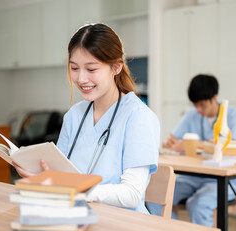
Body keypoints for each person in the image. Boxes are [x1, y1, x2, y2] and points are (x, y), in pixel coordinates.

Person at [13, 23, 160, 214]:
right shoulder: (74, 115)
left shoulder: (138, 117)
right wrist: (37, 174)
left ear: (116, 67)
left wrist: (78, 189)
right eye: (74, 68)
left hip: (123, 223)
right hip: (75, 215)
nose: (81, 79)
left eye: (91, 69)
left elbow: (131, 194)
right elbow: (60, 176)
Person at [147, 74, 236, 227]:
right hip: (193, 177)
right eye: (195, 105)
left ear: (214, 97)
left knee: (198, 204)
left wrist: (191, 146)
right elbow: (172, 139)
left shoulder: (235, 116)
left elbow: (234, 149)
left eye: (202, 105)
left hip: (223, 180)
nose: (198, 110)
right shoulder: (192, 114)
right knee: (155, 197)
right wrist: (171, 143)